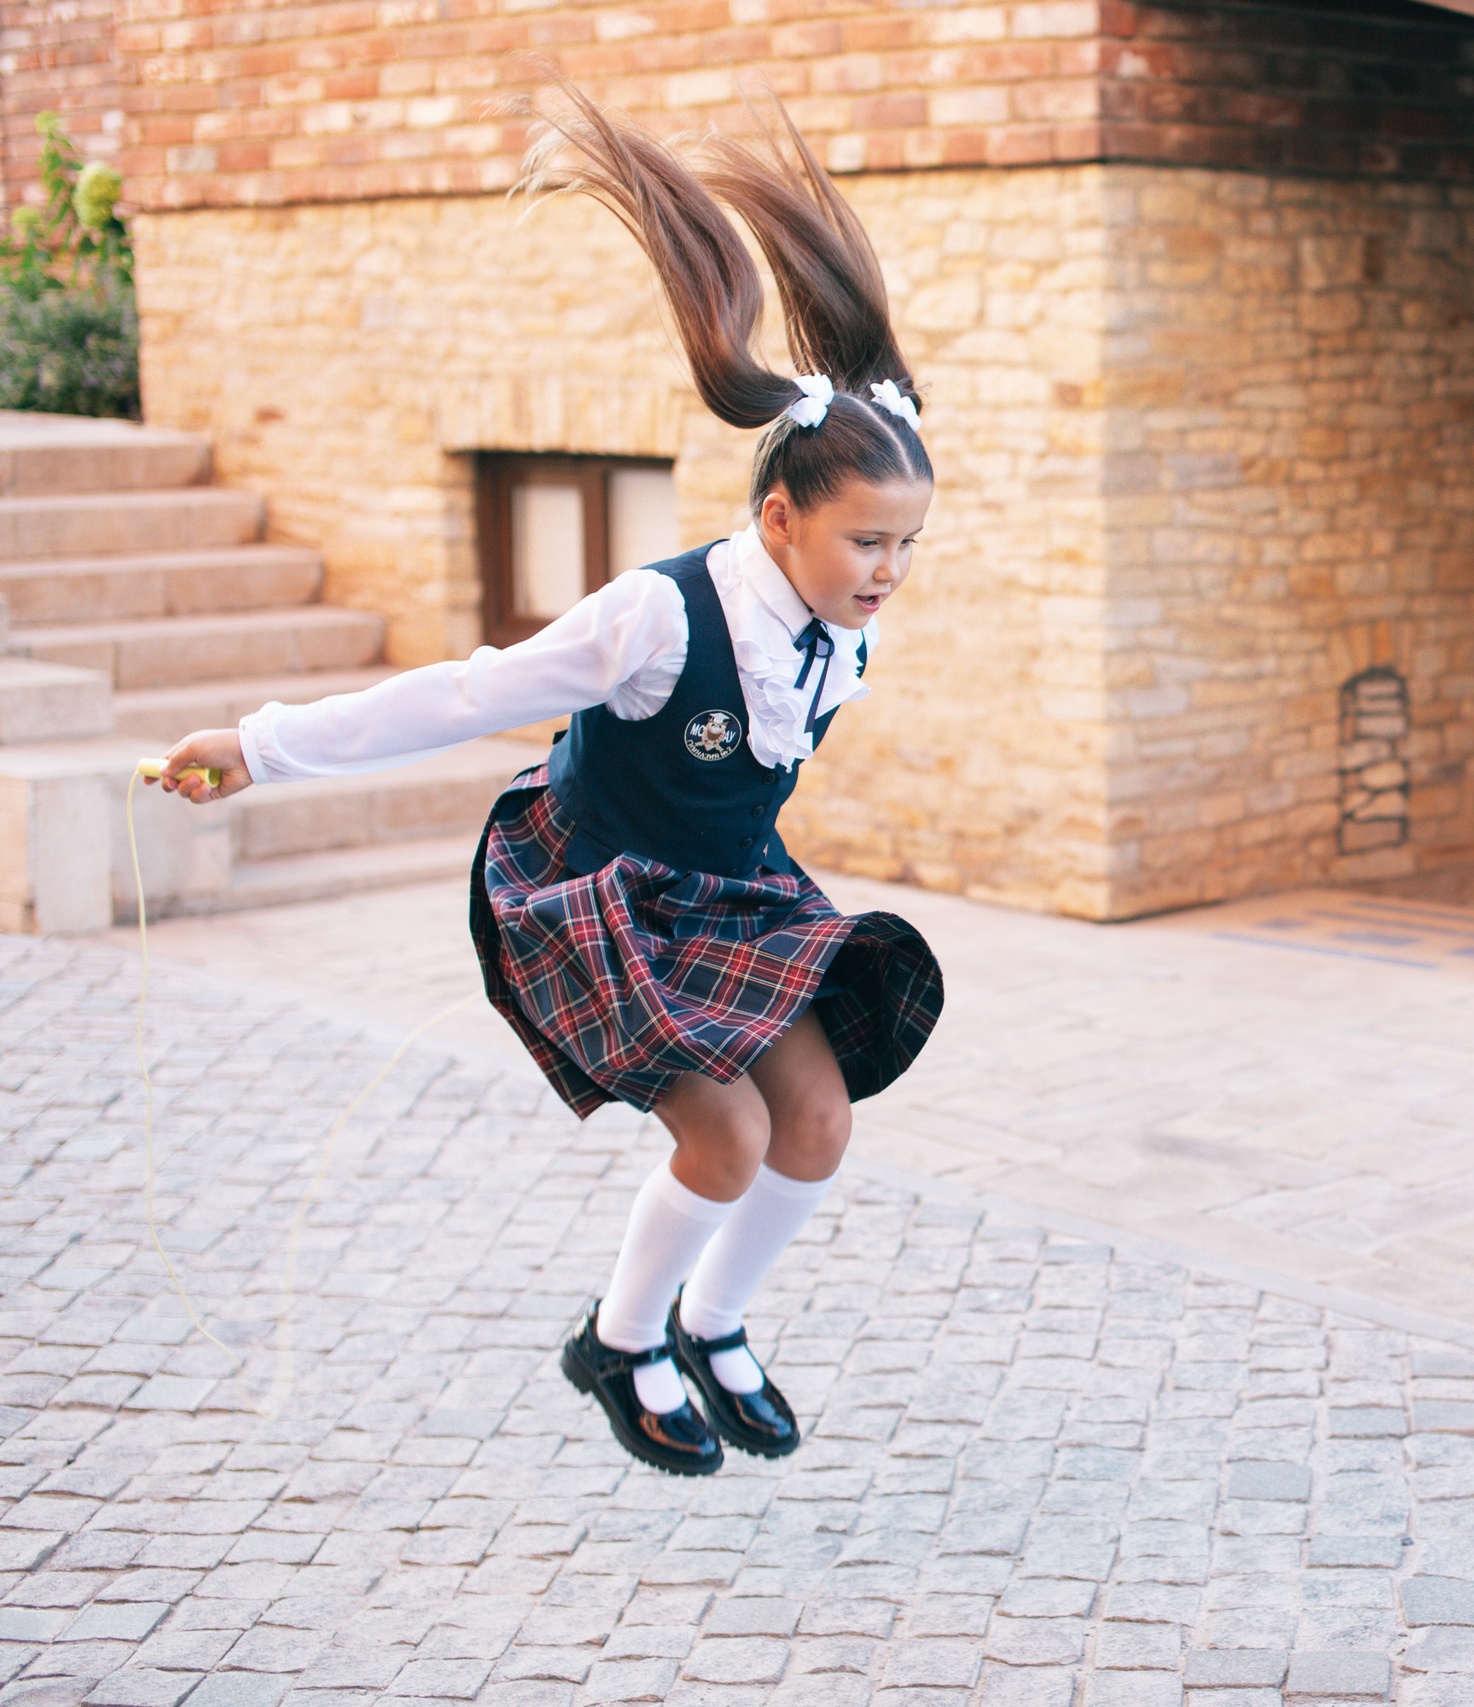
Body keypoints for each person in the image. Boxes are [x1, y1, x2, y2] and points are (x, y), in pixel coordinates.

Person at [152, 86, 945, 1473]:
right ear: (777, 517)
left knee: (816, 1123)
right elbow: (465, 696)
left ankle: (716, 1321)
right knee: (729, 1135)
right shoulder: (656, 618)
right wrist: (259, 742)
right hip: (598, 883)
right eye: (864, 541)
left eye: (904, 547)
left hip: (727, 887)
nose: (885, 572)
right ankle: (620, 1342)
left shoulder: (839, 641)